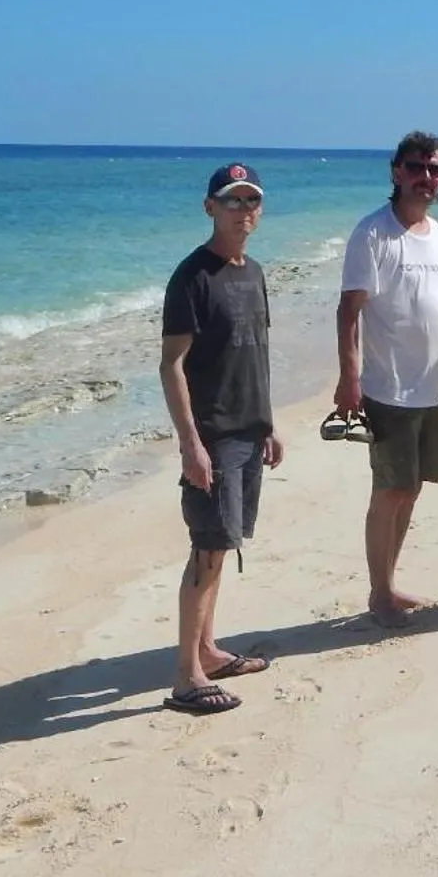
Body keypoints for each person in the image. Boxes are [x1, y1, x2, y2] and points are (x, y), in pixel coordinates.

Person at [157, 162, 284, 715]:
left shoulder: (253, 272)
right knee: (207, 549)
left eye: (250, 200)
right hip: (213, 436)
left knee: (223, 545)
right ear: (210, 207)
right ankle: (186, 677)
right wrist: (191, 443)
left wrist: (268, 423)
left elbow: (254, 353)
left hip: (249, 431)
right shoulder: (192, 277)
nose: (242, 210)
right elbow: (172, 365)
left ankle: (207, 651)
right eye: (232, 200)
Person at [334, 131, 438, 626]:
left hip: (431, 389)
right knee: (389, 492)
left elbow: (436, 310)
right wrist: (349, 377)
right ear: (396, 172)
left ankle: (389, 581)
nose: (425, 177)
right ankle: (378, 594)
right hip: (389, 389)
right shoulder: (373, 233)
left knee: (412, 489)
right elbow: (349, 311)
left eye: (434, 169)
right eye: (416, 167)